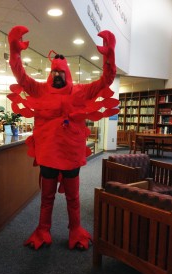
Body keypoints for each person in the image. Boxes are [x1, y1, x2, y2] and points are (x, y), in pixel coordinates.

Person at [7, 25, 119, 250]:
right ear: (50, 73)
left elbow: (105, 81)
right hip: (48, 153)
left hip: (71, 153)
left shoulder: (80, 91)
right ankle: (43, 229)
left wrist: (109, 56)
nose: (57, 75)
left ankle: (75, 230)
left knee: (73, 197)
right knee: (47, 196)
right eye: (54, 72)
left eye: (60, 72)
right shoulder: (39, 90)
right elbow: (21, 76)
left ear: (67, 73)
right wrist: (14, 51)